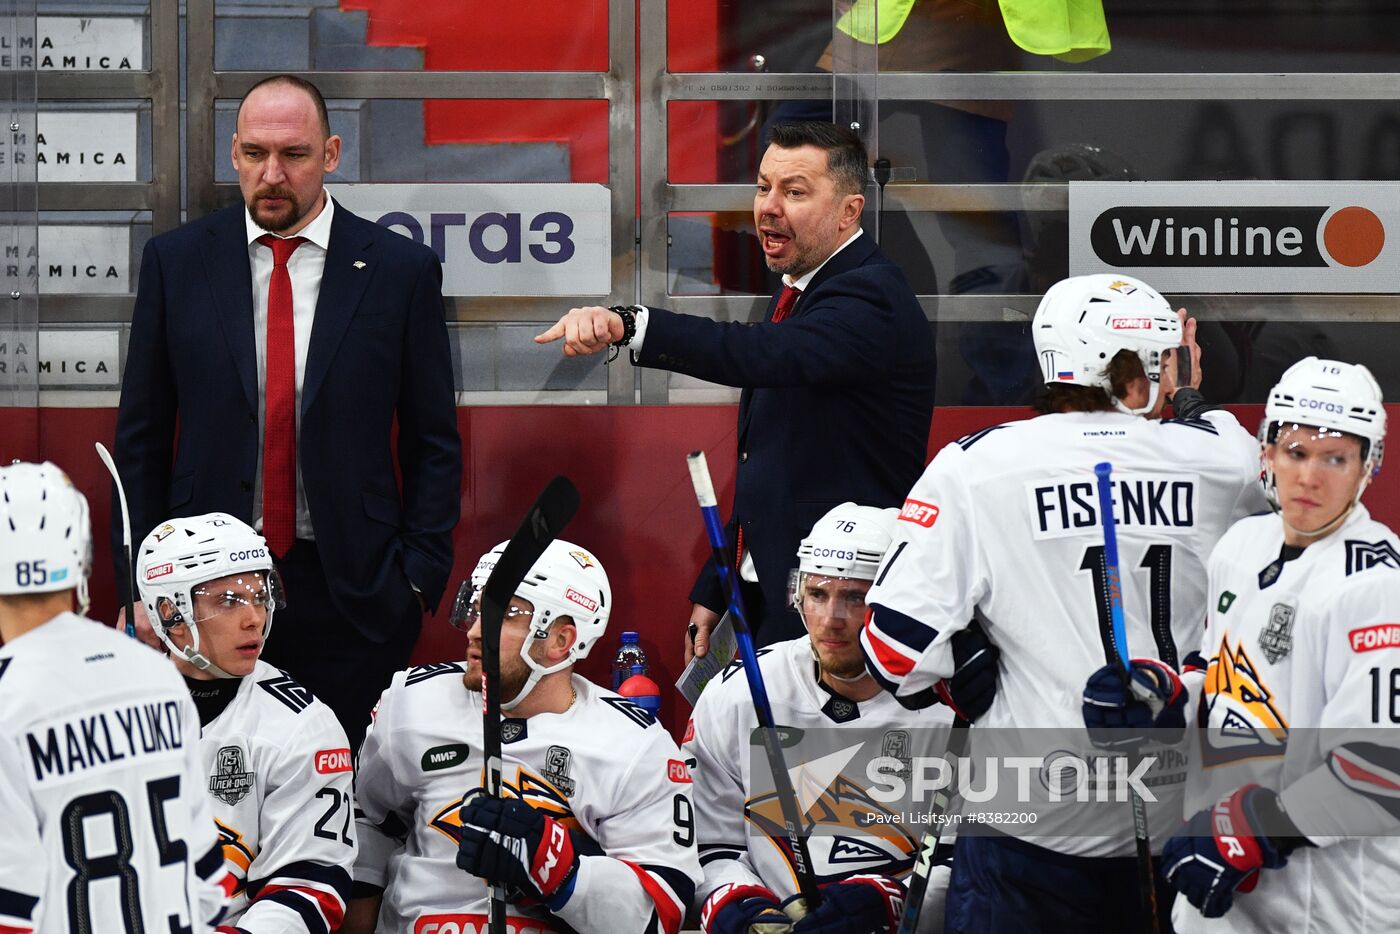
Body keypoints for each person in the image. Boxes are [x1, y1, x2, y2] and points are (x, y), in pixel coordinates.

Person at [858, 274, 1270, 933]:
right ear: (1136, 371)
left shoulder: (973, 467)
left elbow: (891, 654)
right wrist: (1187, 392)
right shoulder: (1227, 458)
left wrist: (965, 661)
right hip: (1180, 815)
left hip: (1030, 821)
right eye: (1162, 360)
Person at [113, 73, 462, 750]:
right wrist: (139, 585)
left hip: (354, 593)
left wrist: (415, 581)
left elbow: (433, 442)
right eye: (253, 153)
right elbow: (142, 440)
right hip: (202, 590)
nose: (271, 174)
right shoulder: (177, 263)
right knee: (215, 793)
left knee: (347, 792)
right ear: (234, 154)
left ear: (331, 154)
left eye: (294, 155)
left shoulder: (399, 270)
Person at [536, 120, 935, 656]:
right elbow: (771, 465)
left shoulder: (870, 296)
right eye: (763, 186)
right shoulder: (801, 289)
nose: (769, 206)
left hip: (839, 603)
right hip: (773, 589)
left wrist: (631, 325)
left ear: (849, 212)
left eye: (794, 192)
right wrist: (720, 585)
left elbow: (757, 354)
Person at [1151, 358, 1400, 932]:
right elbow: (1218, 671)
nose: (1311, 477)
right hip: (1226, 890)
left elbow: (1380, 772)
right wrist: (1166, 695)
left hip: (1327, 907)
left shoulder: (1376, 585)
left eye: (1336, 457)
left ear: (1369, 466)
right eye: (1296, 451)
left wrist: (1248, 830)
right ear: (1267, 452)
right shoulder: (1241, 545)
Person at [344, 540, 702, 934]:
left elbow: (662, 908)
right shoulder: (412, 703)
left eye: (506, 613)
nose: (476, 631)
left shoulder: (633, 744)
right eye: (477, 608)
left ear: (561, 641)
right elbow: (366, 820)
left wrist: (558, 870)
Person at [685, 503, 998, 934]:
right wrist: (739, 905)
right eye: (817, 594)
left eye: (855, 597)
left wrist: (892, 901)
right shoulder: (736, 694)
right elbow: (710, 846)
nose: (831, 620)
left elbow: (971, 866)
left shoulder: (956, 707)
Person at [0, 461, 230, 933]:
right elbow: (209, 881)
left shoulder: (8, 699)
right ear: (81, 561)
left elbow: (12, 911)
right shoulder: (156, 673)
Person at [135, 512, 357, 934]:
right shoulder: (104, 707)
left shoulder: (304, 726)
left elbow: (310, 885)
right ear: (171, 613)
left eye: (260, 595)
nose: (254, 616)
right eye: (229, 600)